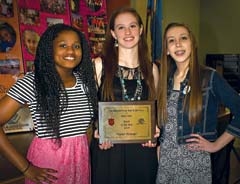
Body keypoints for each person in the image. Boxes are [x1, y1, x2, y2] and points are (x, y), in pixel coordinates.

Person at [0, 23, 98, 184]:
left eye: (76, 46)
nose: (71, 51)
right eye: (63, 45)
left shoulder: (86, 84)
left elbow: (86, 128)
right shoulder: (33, 82)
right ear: (49, 49)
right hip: (48, 168)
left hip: (80, 165)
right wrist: (26, 168)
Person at [156, 22, 240, 184]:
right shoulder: (165, 80)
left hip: (194, 162)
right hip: (165, 162)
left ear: (192, 43)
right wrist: (160, 146)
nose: (178, 44)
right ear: (166, 49)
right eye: (171, 40)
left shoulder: (209, 77)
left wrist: (216, 145)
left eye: (183, 38)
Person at [90, 7, 160, 184]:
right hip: (109, 149)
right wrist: (98, 129)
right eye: (121, 27)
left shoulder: (152, 69)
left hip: (142, 149)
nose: (127, 32)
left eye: (132, 26)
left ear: (141, 30)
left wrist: (155, 129)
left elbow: (155, 108)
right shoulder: (99, 65)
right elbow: (90, 108)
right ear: (113, 33)